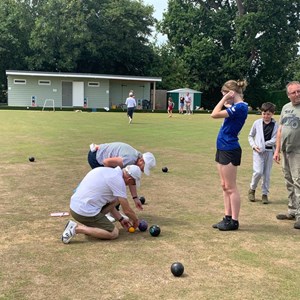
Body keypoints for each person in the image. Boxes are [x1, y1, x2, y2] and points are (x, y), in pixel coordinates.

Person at [61, 165, 141, 244]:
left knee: (116, 199)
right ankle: (77, 229)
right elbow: (127, 210)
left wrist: (120, 219)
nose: (130, 185)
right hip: (83, 211)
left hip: (75, 206)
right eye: (133, 183)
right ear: (129, 179)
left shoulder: (108, 171)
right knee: (113, 233)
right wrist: (136, 220)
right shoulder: (118, 181)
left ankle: (91, 227)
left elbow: (111, 203)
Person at [211, 79, 248, 231]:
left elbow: (214, 114)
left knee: (231, 187)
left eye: (224, 93)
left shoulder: (240, 107)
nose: (223, 96)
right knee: (224, 186)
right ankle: (227, 217)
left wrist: (224, 99)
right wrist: (227, 101)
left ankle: (234, 221)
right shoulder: (235, 107)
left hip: (230, 148)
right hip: (222, 147)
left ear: (231, 93)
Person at [88, 142, 156, 211]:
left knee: (118, 185)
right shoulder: (130, 159)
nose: (142, 170)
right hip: (96, 157)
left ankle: (113, 210)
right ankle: (105, 212)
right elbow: (106, 162)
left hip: (101, 155)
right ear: (141, 161)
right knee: (110, 186)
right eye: (143, 168)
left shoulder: (136, 159)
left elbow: (132, 180)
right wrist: (110, 178)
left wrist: (135, 198)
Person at [273, 81, 300, 229]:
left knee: (298, 181)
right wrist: (277, 150)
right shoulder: (285, 108)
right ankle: (292, 210)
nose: (297, 94)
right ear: (288, 95)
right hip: (285, 151)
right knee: (289, 180)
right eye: (294, 92)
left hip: (298, 151)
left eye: (299, 91)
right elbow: (280, 130)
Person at [248, 102, 278, 204]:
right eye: (264, 113)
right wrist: (254, 145)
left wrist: (263, 144)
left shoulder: (275, 125)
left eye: (268, 114)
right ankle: (252, 189)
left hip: (269, 152)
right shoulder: (257, 123)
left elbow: (275, 139)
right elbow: (250, 136)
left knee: (267, 174)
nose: (266, 116)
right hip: (258, 152)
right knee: (258, 172)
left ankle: (265, 194)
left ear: (272, 114)